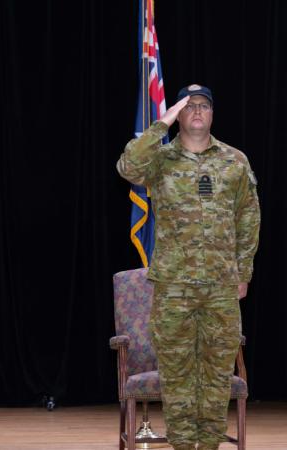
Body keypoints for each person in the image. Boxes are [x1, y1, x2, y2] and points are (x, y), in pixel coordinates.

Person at [117, 85, 260, 450]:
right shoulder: (160, 161)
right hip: (174, 289)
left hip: (221, 290)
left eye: (204, 106)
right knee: (178, 379)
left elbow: (248, 219)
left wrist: (243, 273)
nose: (197, 111)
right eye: (188, 106)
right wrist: (159, 126)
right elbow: (127, 165)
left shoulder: (235, 161)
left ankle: (209, 445)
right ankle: (182, 445)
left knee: (215, 378)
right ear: (178, 115)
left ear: (212, 115)